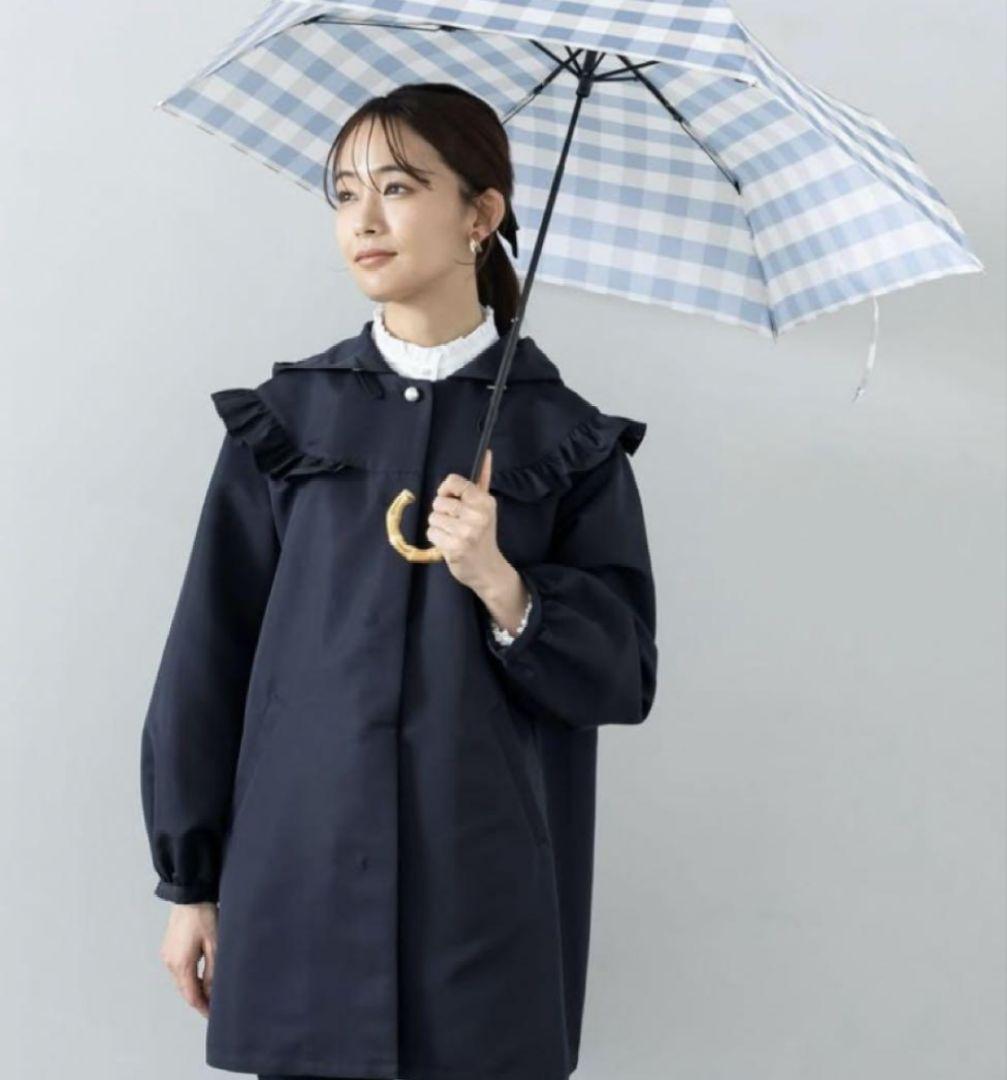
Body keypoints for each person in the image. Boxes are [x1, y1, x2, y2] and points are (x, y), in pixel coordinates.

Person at [140, 82, 659, 1080]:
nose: (363, 220)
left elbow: (621, 677)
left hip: (484, 897)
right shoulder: (287, 423)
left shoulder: (565, 441)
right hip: (299, 880)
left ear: (480, 213)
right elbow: (207, 657)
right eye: (344, 193)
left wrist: (503, 584)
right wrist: (190, 885)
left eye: (398, 187)